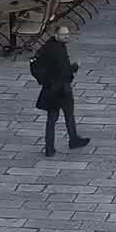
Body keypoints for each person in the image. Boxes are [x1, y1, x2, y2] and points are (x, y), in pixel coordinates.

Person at [34, 26, 91, 157]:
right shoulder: (58, 50)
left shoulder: (47, 46)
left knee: (52, 119)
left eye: (67, 34)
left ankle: (50, 148)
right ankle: (73, 139)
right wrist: (75, 67)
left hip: (50, 88)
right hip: (61, 89)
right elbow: (64, 71)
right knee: (68, 114)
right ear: (56, 35)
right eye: (63, 34)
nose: (66, 36)